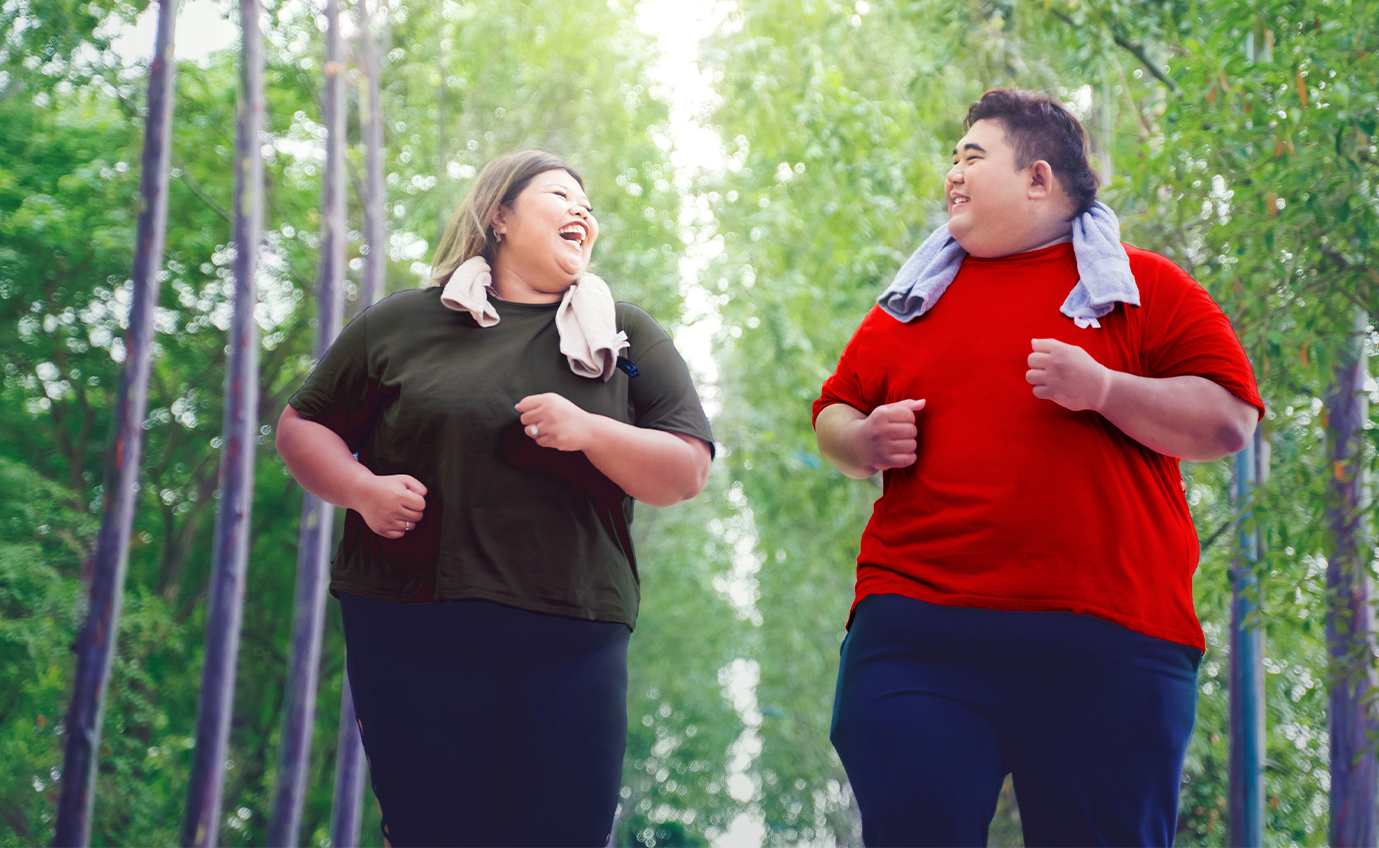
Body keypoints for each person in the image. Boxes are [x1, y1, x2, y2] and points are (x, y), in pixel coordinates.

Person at [813, 89, 1264, 847]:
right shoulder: (908, 305)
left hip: (1109, 641)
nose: (952, 173)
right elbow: (833, 411)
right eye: (952, 158)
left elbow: (1229, 420)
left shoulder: (1144, 289)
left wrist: (1105, 389)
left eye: (973, 156)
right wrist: (860, 442)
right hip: (921, 631)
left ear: (1038, 179)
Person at [276, 150, 713, 847]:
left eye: (588, 206)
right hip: (410, 627)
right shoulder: (400, 325)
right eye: (560, 195)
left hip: (572, 635)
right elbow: (303, 428)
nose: (582, 212)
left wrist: (591, 430)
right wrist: (362, 489)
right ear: (498, 215)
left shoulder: (628, 335)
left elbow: (685, 470)